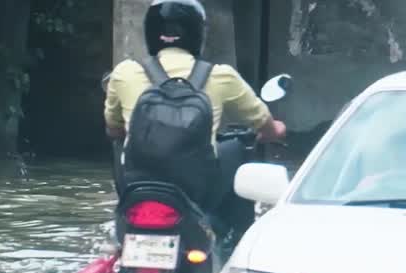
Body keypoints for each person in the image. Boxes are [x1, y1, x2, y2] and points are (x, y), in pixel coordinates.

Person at [103, 0, 287, 239]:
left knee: (119, 149)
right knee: (238, 153)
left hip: (137, 188)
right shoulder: (221, 76)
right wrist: (277, 130)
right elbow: (268, 128)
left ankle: (122, 236)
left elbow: (113, 130)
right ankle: (233, 245)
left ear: (150, 30)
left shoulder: (124, 72)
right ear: (197, 31)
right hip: (199, 191)